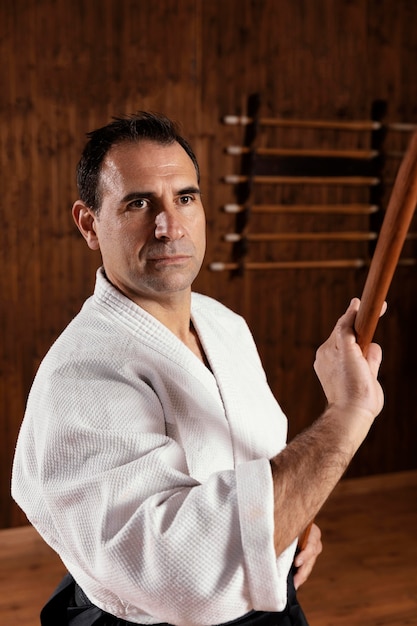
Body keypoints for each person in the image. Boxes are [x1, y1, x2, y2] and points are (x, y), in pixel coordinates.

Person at [11, 112, 384, 626]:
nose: (169, 226)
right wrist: (349, 414)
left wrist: (290, 522)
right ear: (88, 224)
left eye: (185, 198)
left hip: (272, 602)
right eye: (139, 203)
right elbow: (184, 572)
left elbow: (255, 459)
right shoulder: (81, 375)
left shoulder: (223, 324)